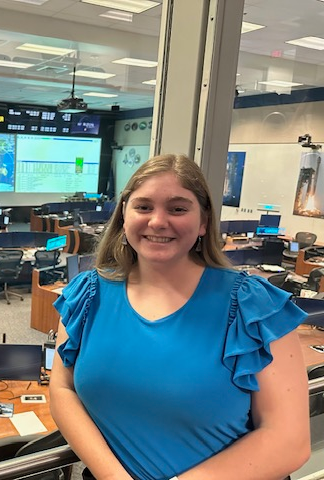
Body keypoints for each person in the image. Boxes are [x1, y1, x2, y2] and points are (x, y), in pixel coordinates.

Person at [50, 153, 310, 480]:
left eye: (177, 208)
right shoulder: (87, 294)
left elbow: (289, 442)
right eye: (143, 207)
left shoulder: (252, 304)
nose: (158, 221)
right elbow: (62, 390)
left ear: (203, 222)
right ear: (124, 216)